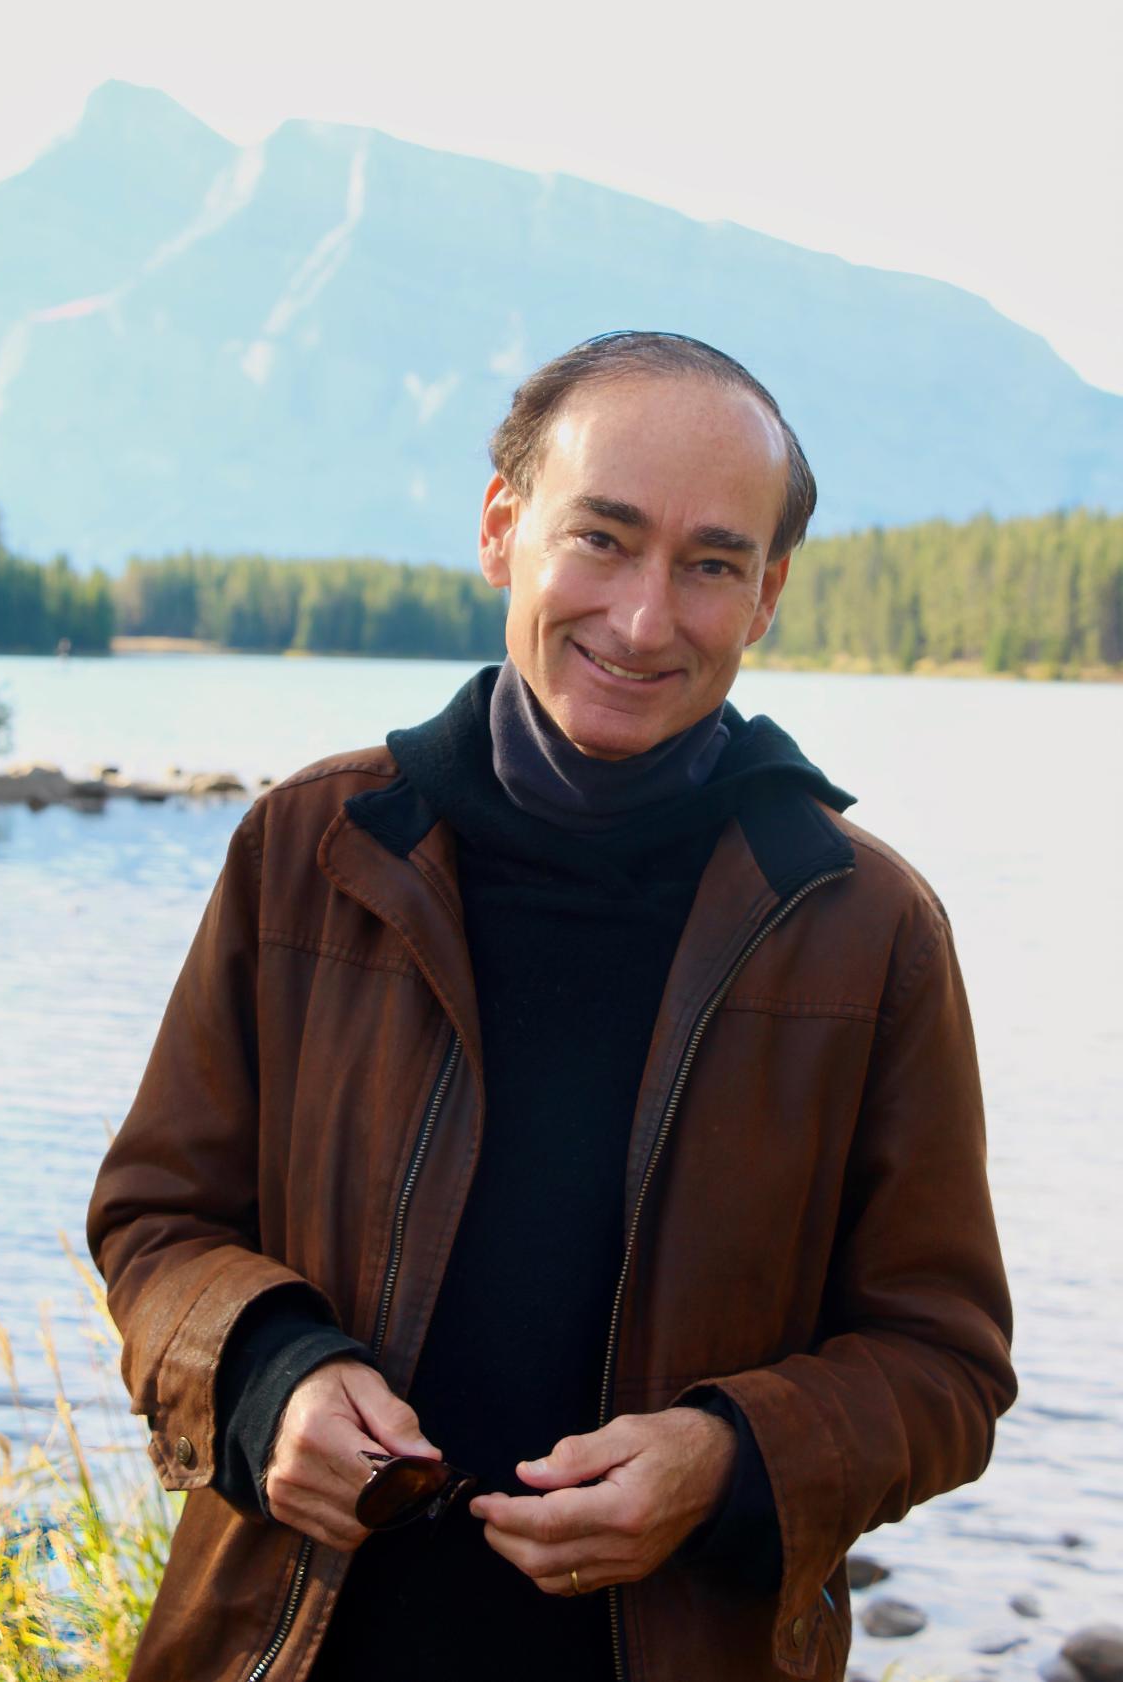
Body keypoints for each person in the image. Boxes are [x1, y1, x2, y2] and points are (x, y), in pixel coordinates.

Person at [87, 331, 1015, 1682]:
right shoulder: (308, 850)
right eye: (604, 539)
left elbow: (946, 1362)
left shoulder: (869, 930)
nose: (646, 620)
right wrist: (265, 1373)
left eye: (711, 563)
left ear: (767, 596)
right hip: (288, 1649)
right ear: (501, 529)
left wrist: (728, 1458)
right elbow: (154, 1220)